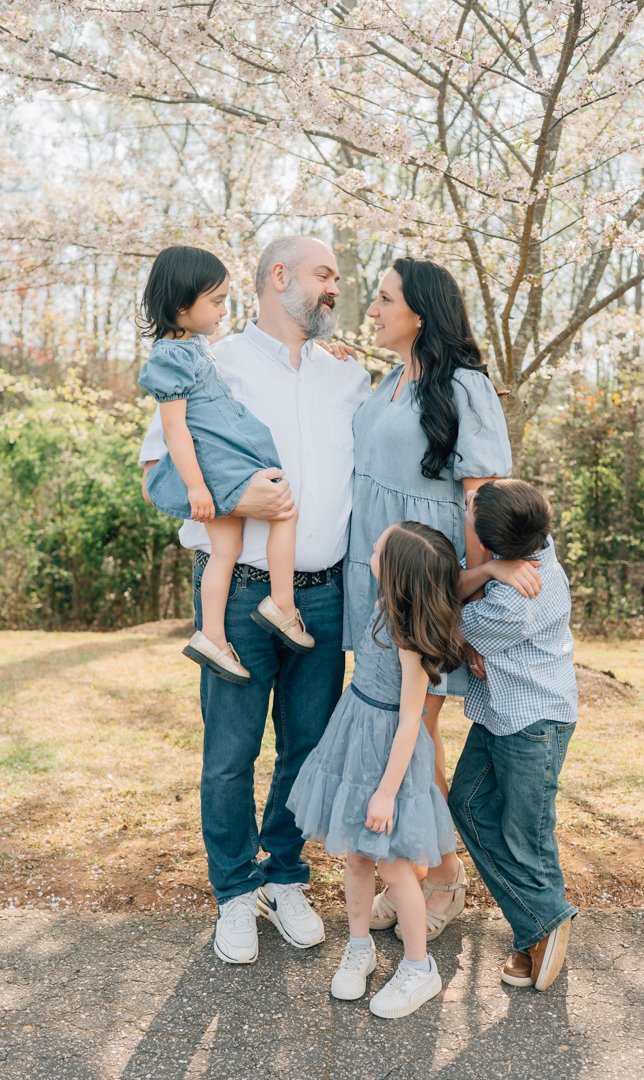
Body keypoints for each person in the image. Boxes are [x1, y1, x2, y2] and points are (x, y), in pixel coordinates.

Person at [139, 236, 371, 964]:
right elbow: (157, 471)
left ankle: (286, 877)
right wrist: (238, 497)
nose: (336, 286)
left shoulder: (350, 376)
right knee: (230, 757)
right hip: (237, 596)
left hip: (325, 597)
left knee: (306, 750)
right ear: (280, 277)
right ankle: (236, 893)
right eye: (324, 274)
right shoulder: (213, 363)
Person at [343, 256, 540, 938]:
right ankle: (419, 863)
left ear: (421, 312)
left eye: (384, 299)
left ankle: (440, 870)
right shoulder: (389, 382)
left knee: (416, 732)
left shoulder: (465, 386)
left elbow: (480, 499)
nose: (371, 309)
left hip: (428, 584)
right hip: (371, 580)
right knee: (389, 729)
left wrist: (477, 604)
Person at [288, 522, 465, 1018]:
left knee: (395, 864)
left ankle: (417, 967)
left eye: (379, 549)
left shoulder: (410, 640)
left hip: (392, 760)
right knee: (357, 857)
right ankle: (360, 945)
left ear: (399, 574)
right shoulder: (384, 605)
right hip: (355, 737)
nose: (371, 551)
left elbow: (411, 722)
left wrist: (386, 793)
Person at [138, 245, 313, 686]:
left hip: (219, 466)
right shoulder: (171, 357)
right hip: (218, 469)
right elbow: (174, 430)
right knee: (284, 509)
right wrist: (197, 488)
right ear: (182, 307)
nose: (224, 309)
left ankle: (211, 635)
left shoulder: (191, 346)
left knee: (226, 550)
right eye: (215, 301)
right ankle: (282, 605)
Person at [449, 479, 578, 992]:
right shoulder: (536, 548)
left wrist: (467, 627)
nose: (467, 505)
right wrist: (488, 570)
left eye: (469, 509)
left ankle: (540, 928)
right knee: (468, 803)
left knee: (527, 837)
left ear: (493, 543)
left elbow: (439, 611)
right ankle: (540, 920)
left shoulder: (516, 600)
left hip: (533, 724)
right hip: (500, 713)